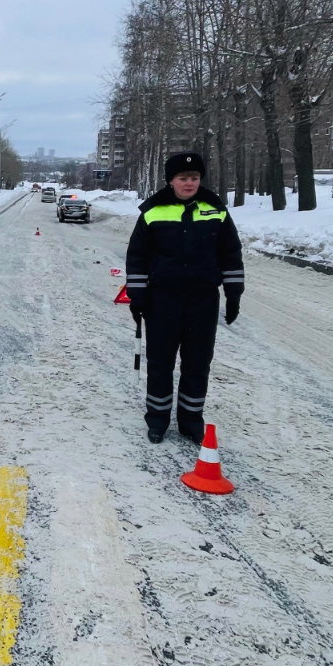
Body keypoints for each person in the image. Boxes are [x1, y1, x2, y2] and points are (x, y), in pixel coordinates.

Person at [125, 151, 244, 445]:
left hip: (203, 301)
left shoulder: (216, 211)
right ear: (171, 181)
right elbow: (137, 258)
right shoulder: (152, 212)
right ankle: (157, 419)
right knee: (160, 363)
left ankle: (191, 421)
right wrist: (137, 297)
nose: (189, 183)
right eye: (183, 178)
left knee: (197, 363)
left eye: (194, 177)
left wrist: (233, 295)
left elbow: (231, 255)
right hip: (162, 301)